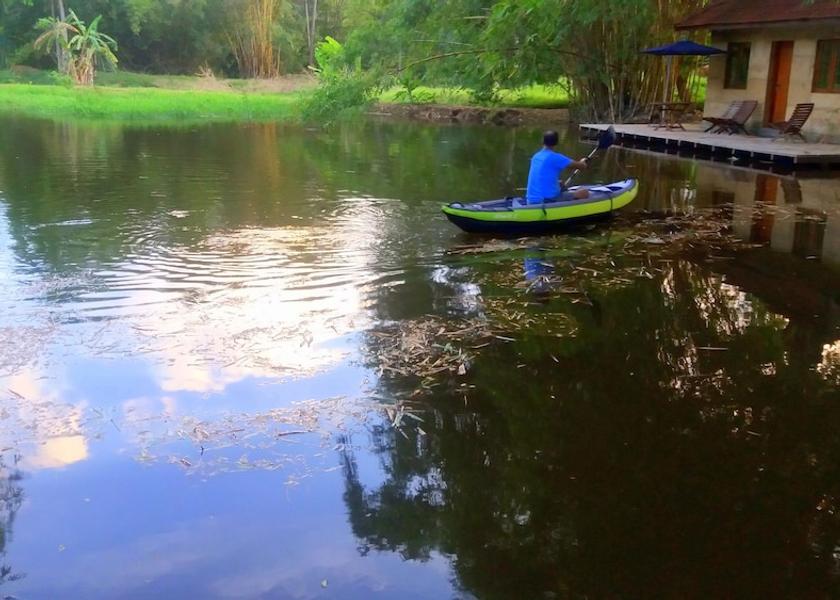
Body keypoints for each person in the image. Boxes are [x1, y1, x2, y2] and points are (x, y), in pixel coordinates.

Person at [525, 130, 590, 204]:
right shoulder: (556, 158)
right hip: (547, 200)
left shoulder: (536, 156)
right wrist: (583, 161)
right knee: (584, 193)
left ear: (543, 141)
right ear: (556, 143)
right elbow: (581, 166)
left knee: (560, 183)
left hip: (531, 199)